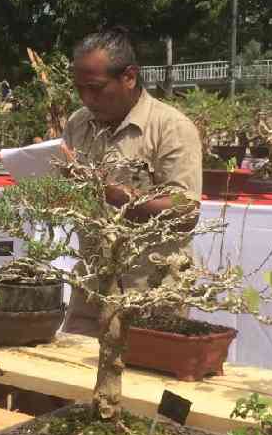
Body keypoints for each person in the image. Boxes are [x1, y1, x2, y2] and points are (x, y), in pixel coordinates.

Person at [60, 26, 203, 336]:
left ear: (129, 76)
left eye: (96, 88)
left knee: (145, 380)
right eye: (79, 88)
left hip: (150, 289)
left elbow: (186, 212)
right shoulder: (78, 123)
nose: (87, 98)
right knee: (70, 375)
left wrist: (114, 194)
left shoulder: (171, 128)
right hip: (91, 284)